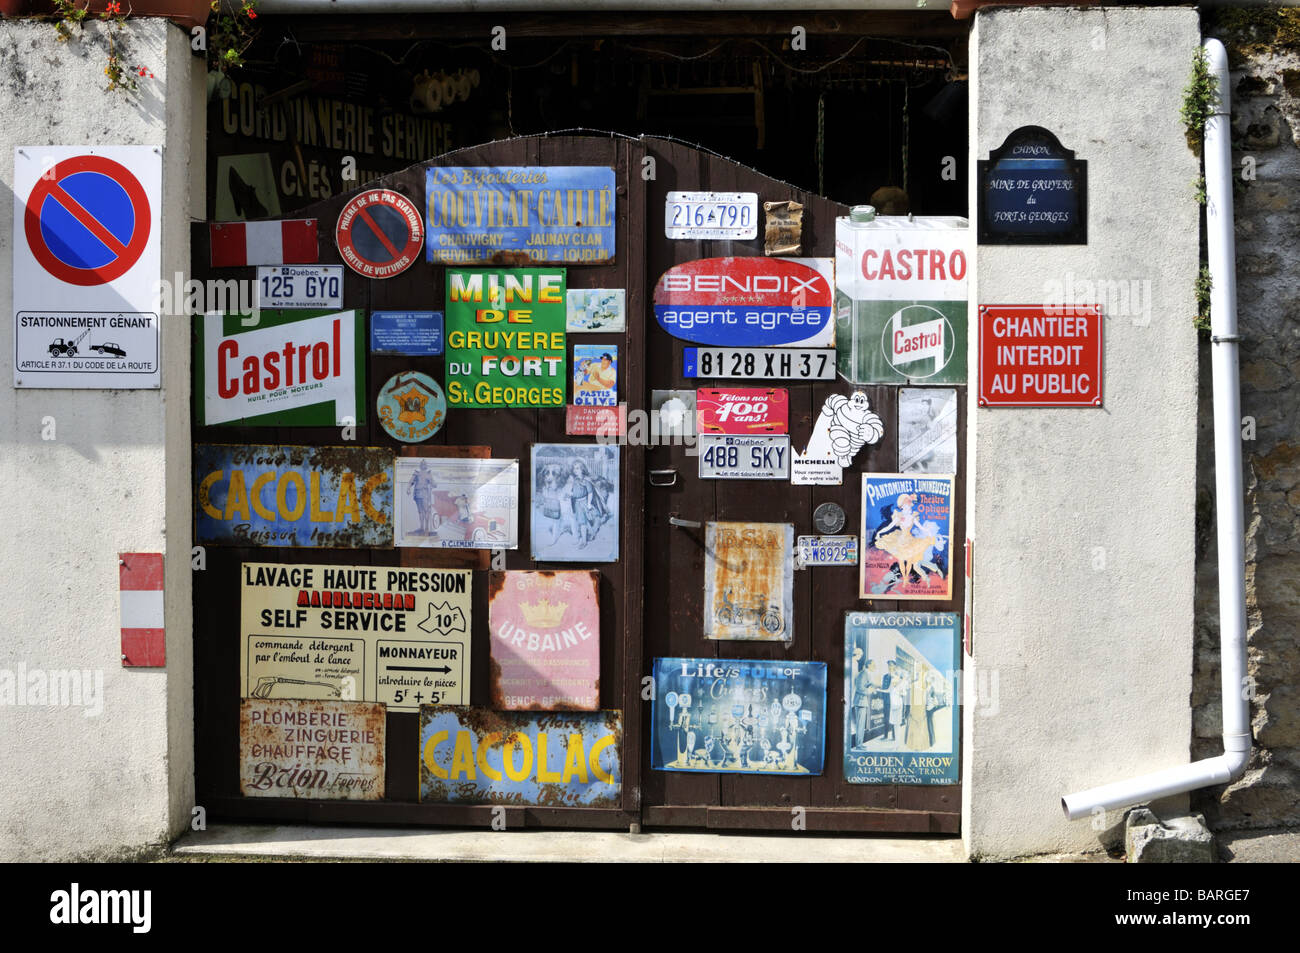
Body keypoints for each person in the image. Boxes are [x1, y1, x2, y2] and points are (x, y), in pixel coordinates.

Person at [409, 460, 437, 535]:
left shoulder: (429, 474)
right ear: (420, 465)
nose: (423, 465)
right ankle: (421, 527)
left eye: (425, 464)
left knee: (426, 510)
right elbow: (411, 482)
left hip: (425, 493)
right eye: (422, 464)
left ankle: (427, 528)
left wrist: (432, 483)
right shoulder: (416, 473)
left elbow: (434, 484)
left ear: (426, 465)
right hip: (417, 493)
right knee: (420, 511)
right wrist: (408, 488)